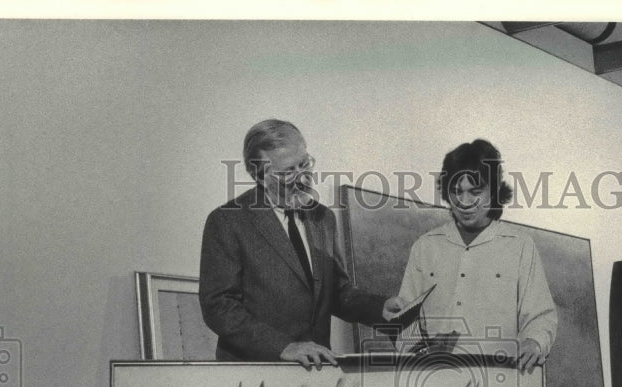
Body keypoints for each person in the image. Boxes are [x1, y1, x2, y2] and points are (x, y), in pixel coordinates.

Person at [199, 119, 402, 368]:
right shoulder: (227, 221)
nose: (303, 179)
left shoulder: (322, 218)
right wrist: (282, 346)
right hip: (256, 374)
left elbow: (337, 293)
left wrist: (379, 308)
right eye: (287, 173)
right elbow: (218, 306)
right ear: (259, 175)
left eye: (304, 164)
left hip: (317, 372)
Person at [396, 139, 557, 371]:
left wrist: (534, 342)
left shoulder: (520, 247)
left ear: (494, 189)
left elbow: (541, 316)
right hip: (433, 380)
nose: (465, 202)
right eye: (456, 191)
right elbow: (405, 322)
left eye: (475, 191)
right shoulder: (425, 247)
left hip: (498, 380)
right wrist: (419, 351)